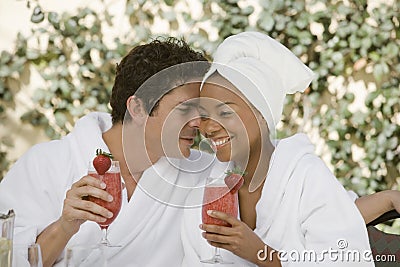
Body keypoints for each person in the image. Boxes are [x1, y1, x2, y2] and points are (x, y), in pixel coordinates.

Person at [0, 37, 221, 266]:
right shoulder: (45, 164)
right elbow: (9, 259)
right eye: (185, 109)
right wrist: (65, 226)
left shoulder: (206, 176)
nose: (198, 122)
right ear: (137, 108)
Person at [181, 31, 382, 266]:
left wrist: (261, 254)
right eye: (204, 115)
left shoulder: (305, 176)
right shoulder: (210, 188)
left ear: (262, 114)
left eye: (225, 112)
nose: (209, 127)